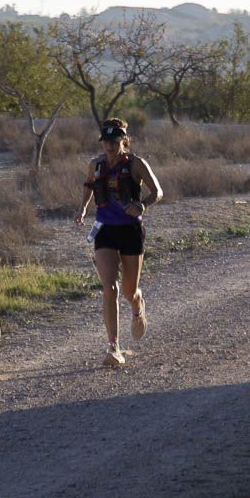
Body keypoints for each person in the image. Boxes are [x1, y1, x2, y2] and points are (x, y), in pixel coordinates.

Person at [73, 118, 163, 367]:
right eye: (106, 142)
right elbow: (89, 187)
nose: (110, 147)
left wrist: (141, 205)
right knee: (109, 287)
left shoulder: (136, 164)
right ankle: (113, 347)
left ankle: (137, 305)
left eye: (114, 142)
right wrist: (82, 209)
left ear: (123, 141)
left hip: (131, 230)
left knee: (128, 291)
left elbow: (158, 192)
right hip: (105, 230)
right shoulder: (96, 164)